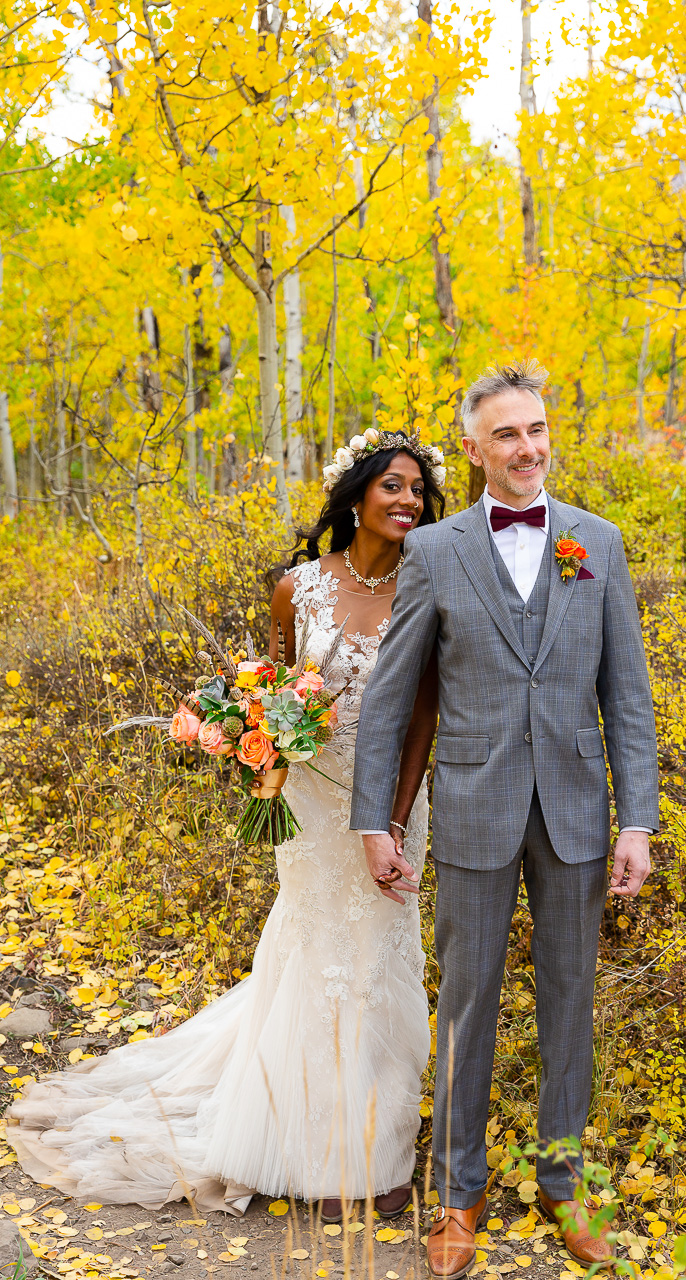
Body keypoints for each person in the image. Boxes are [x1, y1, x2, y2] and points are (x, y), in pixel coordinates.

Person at [7, 429, 445, 1221]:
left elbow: (424, 717)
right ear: (356, 496)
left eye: (418, 488)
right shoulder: (297, 588)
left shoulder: (429, 587)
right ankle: (294, 1139)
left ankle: (375, 1153)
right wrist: (257, 750)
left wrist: (397, 813)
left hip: (386, 800)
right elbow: (271, 686)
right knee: (315, 955)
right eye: (392, 486)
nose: (408, 500)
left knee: (380, 958)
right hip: (310, 801)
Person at [351, 362, 659, 1275]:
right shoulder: (436, 551)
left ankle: (564, 1186)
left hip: (575, 812)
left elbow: (628, 699)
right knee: (468, 1004)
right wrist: (378, 819)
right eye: (506, 436)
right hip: (476, 804)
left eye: (536, 429)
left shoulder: (596, 541)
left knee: (570, 1004)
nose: (527, 449)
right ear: (476, 450)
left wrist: (636, 821)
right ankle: (457, 1193)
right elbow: (392, 697)